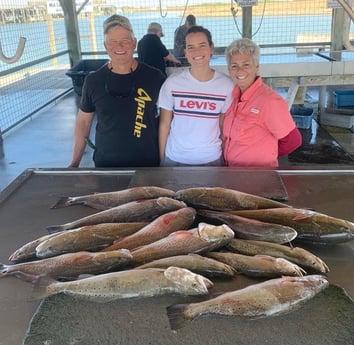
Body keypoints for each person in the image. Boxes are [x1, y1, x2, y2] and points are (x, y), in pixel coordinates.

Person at [68, 15, 166, 168]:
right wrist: (75, 162)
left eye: (125, 41)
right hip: (106, 164)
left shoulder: (155, 77)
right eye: (112, 42)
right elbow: (83, 122)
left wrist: (164, 160)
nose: (119, 46)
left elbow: (167, 120)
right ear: (105, 46)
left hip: (148, 165)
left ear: (134, 43)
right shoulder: (94, 81)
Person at [158, 25, 234, 166]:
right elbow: (164, 125)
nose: (196, 51)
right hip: (175, 159)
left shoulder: (227, 86)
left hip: (211, 160)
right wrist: (162, 161)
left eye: (202, 45)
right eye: (191, 47)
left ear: (211, 48)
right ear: (185, 52)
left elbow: (224, 128)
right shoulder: (172, 83)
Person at [222, 38, 302, 167]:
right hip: (233, 174)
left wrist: (266, 155)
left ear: (257, 66)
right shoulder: (233, 97)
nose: (240, 70)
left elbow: (293, 141)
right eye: (234, 65)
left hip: (258, 178)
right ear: (229, 69)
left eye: (246, 64)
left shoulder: (269, 101)